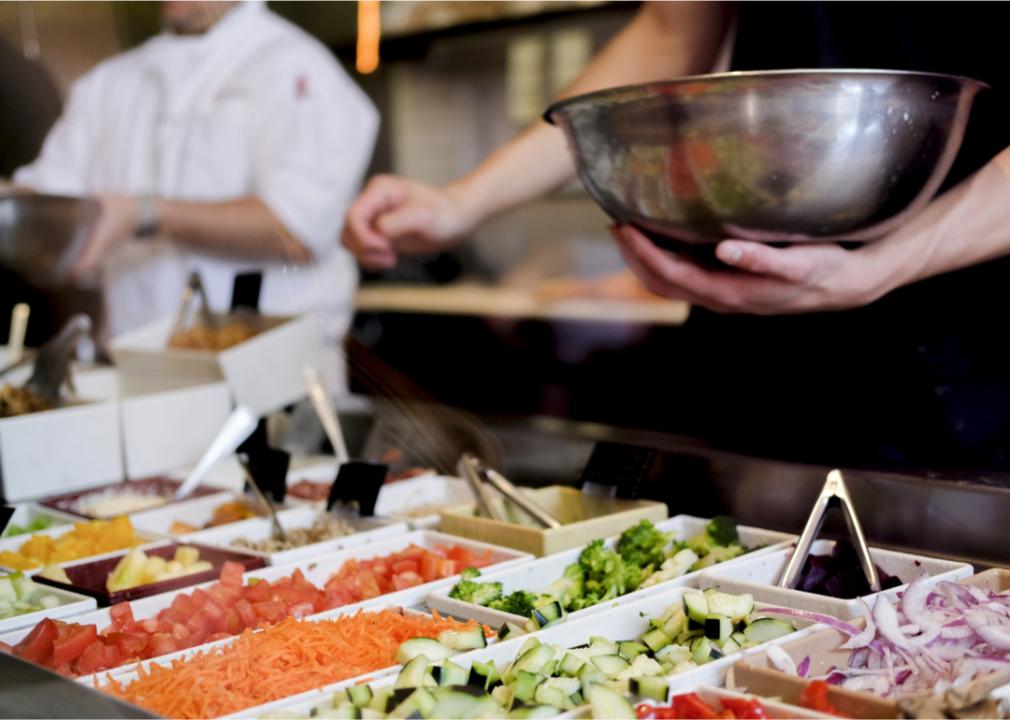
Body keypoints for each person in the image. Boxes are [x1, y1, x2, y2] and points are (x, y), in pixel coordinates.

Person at [342, 1, 1010, 470]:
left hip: (969, 338)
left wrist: (889, 264)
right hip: (752, 318)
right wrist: (461, 202)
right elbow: (670, 33)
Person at [12, 0, 378, 365]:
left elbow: (297, 231)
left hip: (270, 382)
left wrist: (144, 213)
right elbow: (43, 205)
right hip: (134, 375)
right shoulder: (108, 82)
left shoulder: (298, 68)